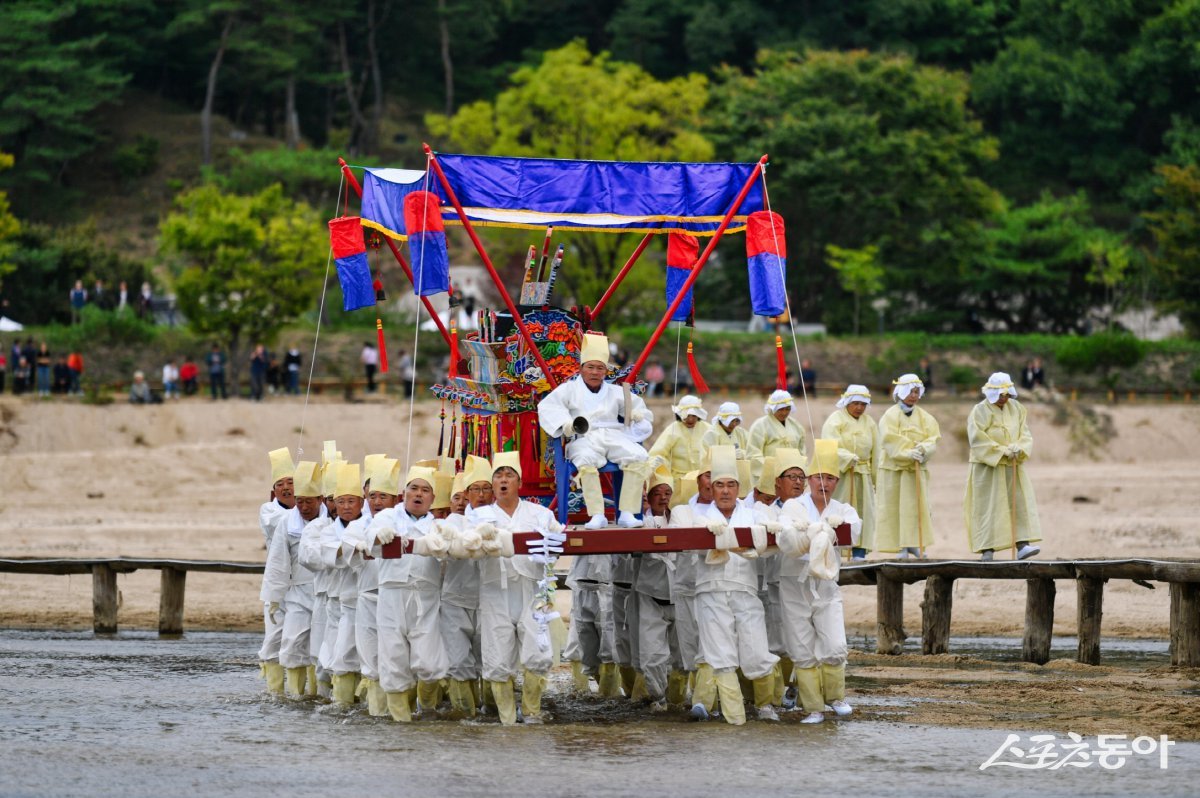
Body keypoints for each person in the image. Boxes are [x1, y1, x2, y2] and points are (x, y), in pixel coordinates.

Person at [466, 451, 565, 725]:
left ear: (519, 482)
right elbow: (468, 545)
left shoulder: (540, 514)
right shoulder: (478, 516)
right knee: (498, 659)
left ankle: (532, 713)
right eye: (499, 475)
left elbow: (559, 542)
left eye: (509, 475)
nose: (503, 480)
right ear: (493, 483)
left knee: (537, 653)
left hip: (531, 590)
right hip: (494, 592)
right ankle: (507, 719)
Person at [683, 445, 779, 725]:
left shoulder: (754, 515)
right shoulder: (699, 518)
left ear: (739, 488)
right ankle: (735, 717)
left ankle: (764, 706)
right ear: (711, 489)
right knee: (720, 655)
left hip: (746, 591)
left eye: (731, 485)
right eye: (720, 485)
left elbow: (774, 532)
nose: (725, 491)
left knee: (757, 651)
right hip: (710, 592)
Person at [777, 439, 861, 724]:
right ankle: (813, 707)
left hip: (825, 584)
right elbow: (787, 540)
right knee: (802, 647)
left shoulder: (842, 509)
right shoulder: (792, 507)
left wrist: (826, 528)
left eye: (829, 478)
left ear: (836, 481)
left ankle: (836, 697)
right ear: (809, 479)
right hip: (794, 584)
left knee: (835, 643)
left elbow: (854, 530)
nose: (823, 484)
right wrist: (817, 532)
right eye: (818, 477)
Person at [537, 331, 654, 530]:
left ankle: (626, 512)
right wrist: (567, 423)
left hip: (613, 435)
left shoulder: (616, 391)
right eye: (590, 367)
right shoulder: (569, 389)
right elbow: (548, 407)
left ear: (605, 371)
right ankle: (597, 514)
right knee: (585, 460)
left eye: (599, 368)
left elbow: (638, 410)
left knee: (638, 455)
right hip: (584, 437)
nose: (594, 372)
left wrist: (636, 415)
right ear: (581, 369)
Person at [363, 463, 451, 721]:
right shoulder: (388, 517)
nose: (419, 494)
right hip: (392, 595)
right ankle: (401, 721)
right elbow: (371, 536)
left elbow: (451, 550)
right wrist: (381, 535)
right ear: (404, 493)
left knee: (429, 662)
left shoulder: (439, 525)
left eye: (425, 490)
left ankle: (427, 710)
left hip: (425, 597)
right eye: (414, 488)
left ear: (432, 498)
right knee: (393, 657)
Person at [261, 461, 326, 696]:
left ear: (320, 499)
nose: (304, 506)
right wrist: (274, 596)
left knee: (322, 647)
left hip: (324, 591)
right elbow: (278, 561)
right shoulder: (282, 518)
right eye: (300, 501)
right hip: (295, 590)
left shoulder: (331, 521)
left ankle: (320, 696)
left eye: (309, 501)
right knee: (289, 643)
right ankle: (291, 697)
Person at [344, 457, 401, 717]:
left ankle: (404, 713)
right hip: (367, 598)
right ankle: (377, 715)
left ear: (396, 499)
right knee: (371, 658)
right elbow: (347, 543)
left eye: (384, 496)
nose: (377, 502)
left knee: (399, 657)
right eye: (373, 496)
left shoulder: (404, 522)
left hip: (399, 597)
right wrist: (361, 544)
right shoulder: (358, 525)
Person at [436, 456, 492, 717]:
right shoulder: (452, 523)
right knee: (458, 662)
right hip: (455, 600)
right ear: (467, 495)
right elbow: (441, 551)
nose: (480, 495)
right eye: (474, 490)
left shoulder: (501, 520)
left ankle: (492, 712)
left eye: (485, 489)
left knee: (490, 662)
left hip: (490, 601)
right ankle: (465, 717)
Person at [965, 372, 1043, 561]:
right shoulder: (979, 410)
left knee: (1017, 502)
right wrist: (1000, 450)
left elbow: (1025, 433)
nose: (1004, 398)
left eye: (1006, 394)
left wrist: (1019, 448)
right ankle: (987, 549)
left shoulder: (1017, 408)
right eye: (1000, 395)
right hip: (988, 467)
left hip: (1012, 464)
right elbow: (976, 438)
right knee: (988, 506)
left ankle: (1022, 544)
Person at [870, 374, 940, 558]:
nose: (914, 396)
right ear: (901, 392)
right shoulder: (890, 416)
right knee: (895, 506)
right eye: (910, 392)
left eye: (917, 392)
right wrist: (908, 452)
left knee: (914, 506)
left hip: (915, 470)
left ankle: (913, 543)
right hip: (895, 470)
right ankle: (900, 546)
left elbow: (933, 438)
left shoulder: (926, 417)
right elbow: (889, 439)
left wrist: (924, 450)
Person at [634, 464, 685, 709]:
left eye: (667, 492)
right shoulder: (638, 521)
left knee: (682, 650)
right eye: (657, 493)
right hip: (650, 593)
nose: (663, 497)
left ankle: (678, 697)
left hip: (678, 593)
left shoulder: (679, 518)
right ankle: (658, 697)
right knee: (653, 652)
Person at [822, 385, 878, 560]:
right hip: (842, 474)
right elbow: (829, 445)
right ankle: (841, 549)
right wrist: (846, 458)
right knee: (841, 509)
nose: (860, 408)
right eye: (856, 403)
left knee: (864, 510)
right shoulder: (835, 420)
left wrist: (875, 478)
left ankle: (859, 552)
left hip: (863, 472)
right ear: (847, 402)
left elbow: (877, 452)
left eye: (863, 404)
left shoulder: (869, 423)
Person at [257, 448, 296, 688]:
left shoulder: (312, 513)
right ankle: (274, 691)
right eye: (280, 483)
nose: (286, 487)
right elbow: (285, 525)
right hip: (277, 584)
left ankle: (300, 691)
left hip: (303, 583)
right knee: (274, 637)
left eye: (291, 482)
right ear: (274, 491)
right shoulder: (269, 510)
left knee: (298, 639)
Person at [648, 395, 711, 489]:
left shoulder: (708, 429)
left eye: (694, 416)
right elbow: (657, 453)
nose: (690, 419)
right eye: (687, 416)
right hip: (678, 480)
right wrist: (657, 461)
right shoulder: (672, 430)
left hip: (702, 479)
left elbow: (717, 451)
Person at [746, 389, 807, 484]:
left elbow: (801, 452)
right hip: (768, 477)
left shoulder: (796, 426)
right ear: (773, 408)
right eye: (781, 409)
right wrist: (772, 470)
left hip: (792, 478)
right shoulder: (760, 426)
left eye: (787, 409)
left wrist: (798, 471)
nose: (784, 413)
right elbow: (753, 454)